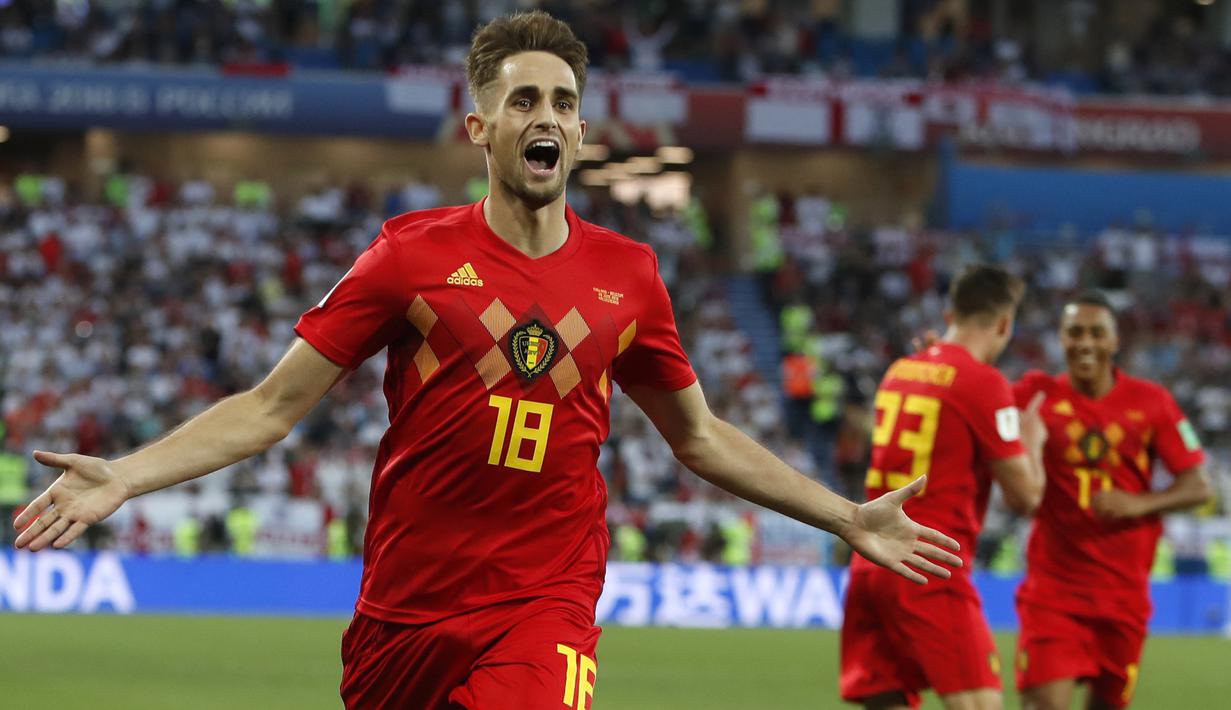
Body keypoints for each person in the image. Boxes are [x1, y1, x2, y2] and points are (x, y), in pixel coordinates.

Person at [14, 11, 962, 710]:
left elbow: (700, 438)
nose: (545, 115)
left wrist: (845, 517)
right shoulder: (407, 258)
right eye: (523, 100)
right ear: (482, 129)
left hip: (544, 599)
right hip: (403, 613)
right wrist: (126, 477)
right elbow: (269, 408)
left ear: (581, 133)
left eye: (564, 101)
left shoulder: (628, 277)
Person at [841, 264, 1048, 710]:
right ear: (1004, 323)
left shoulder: (900, 369)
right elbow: (1026, 497)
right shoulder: (984, 382)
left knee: (886, 700)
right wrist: (1032, 439)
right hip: (928, 558)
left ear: (949, 311)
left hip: (870, 560)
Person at [1012, 292, 1213, 710]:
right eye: (1074, 332)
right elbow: (980, 404)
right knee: (1043, 704)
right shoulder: (1037, 394)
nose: (1085, 341)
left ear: (1114, 341)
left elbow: (1199, 486)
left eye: (1096, 332)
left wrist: (1138, 504)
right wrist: (940, 363)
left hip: (1123, 596)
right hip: (1054, 591)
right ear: (1061, 339)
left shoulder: (1153, 401)